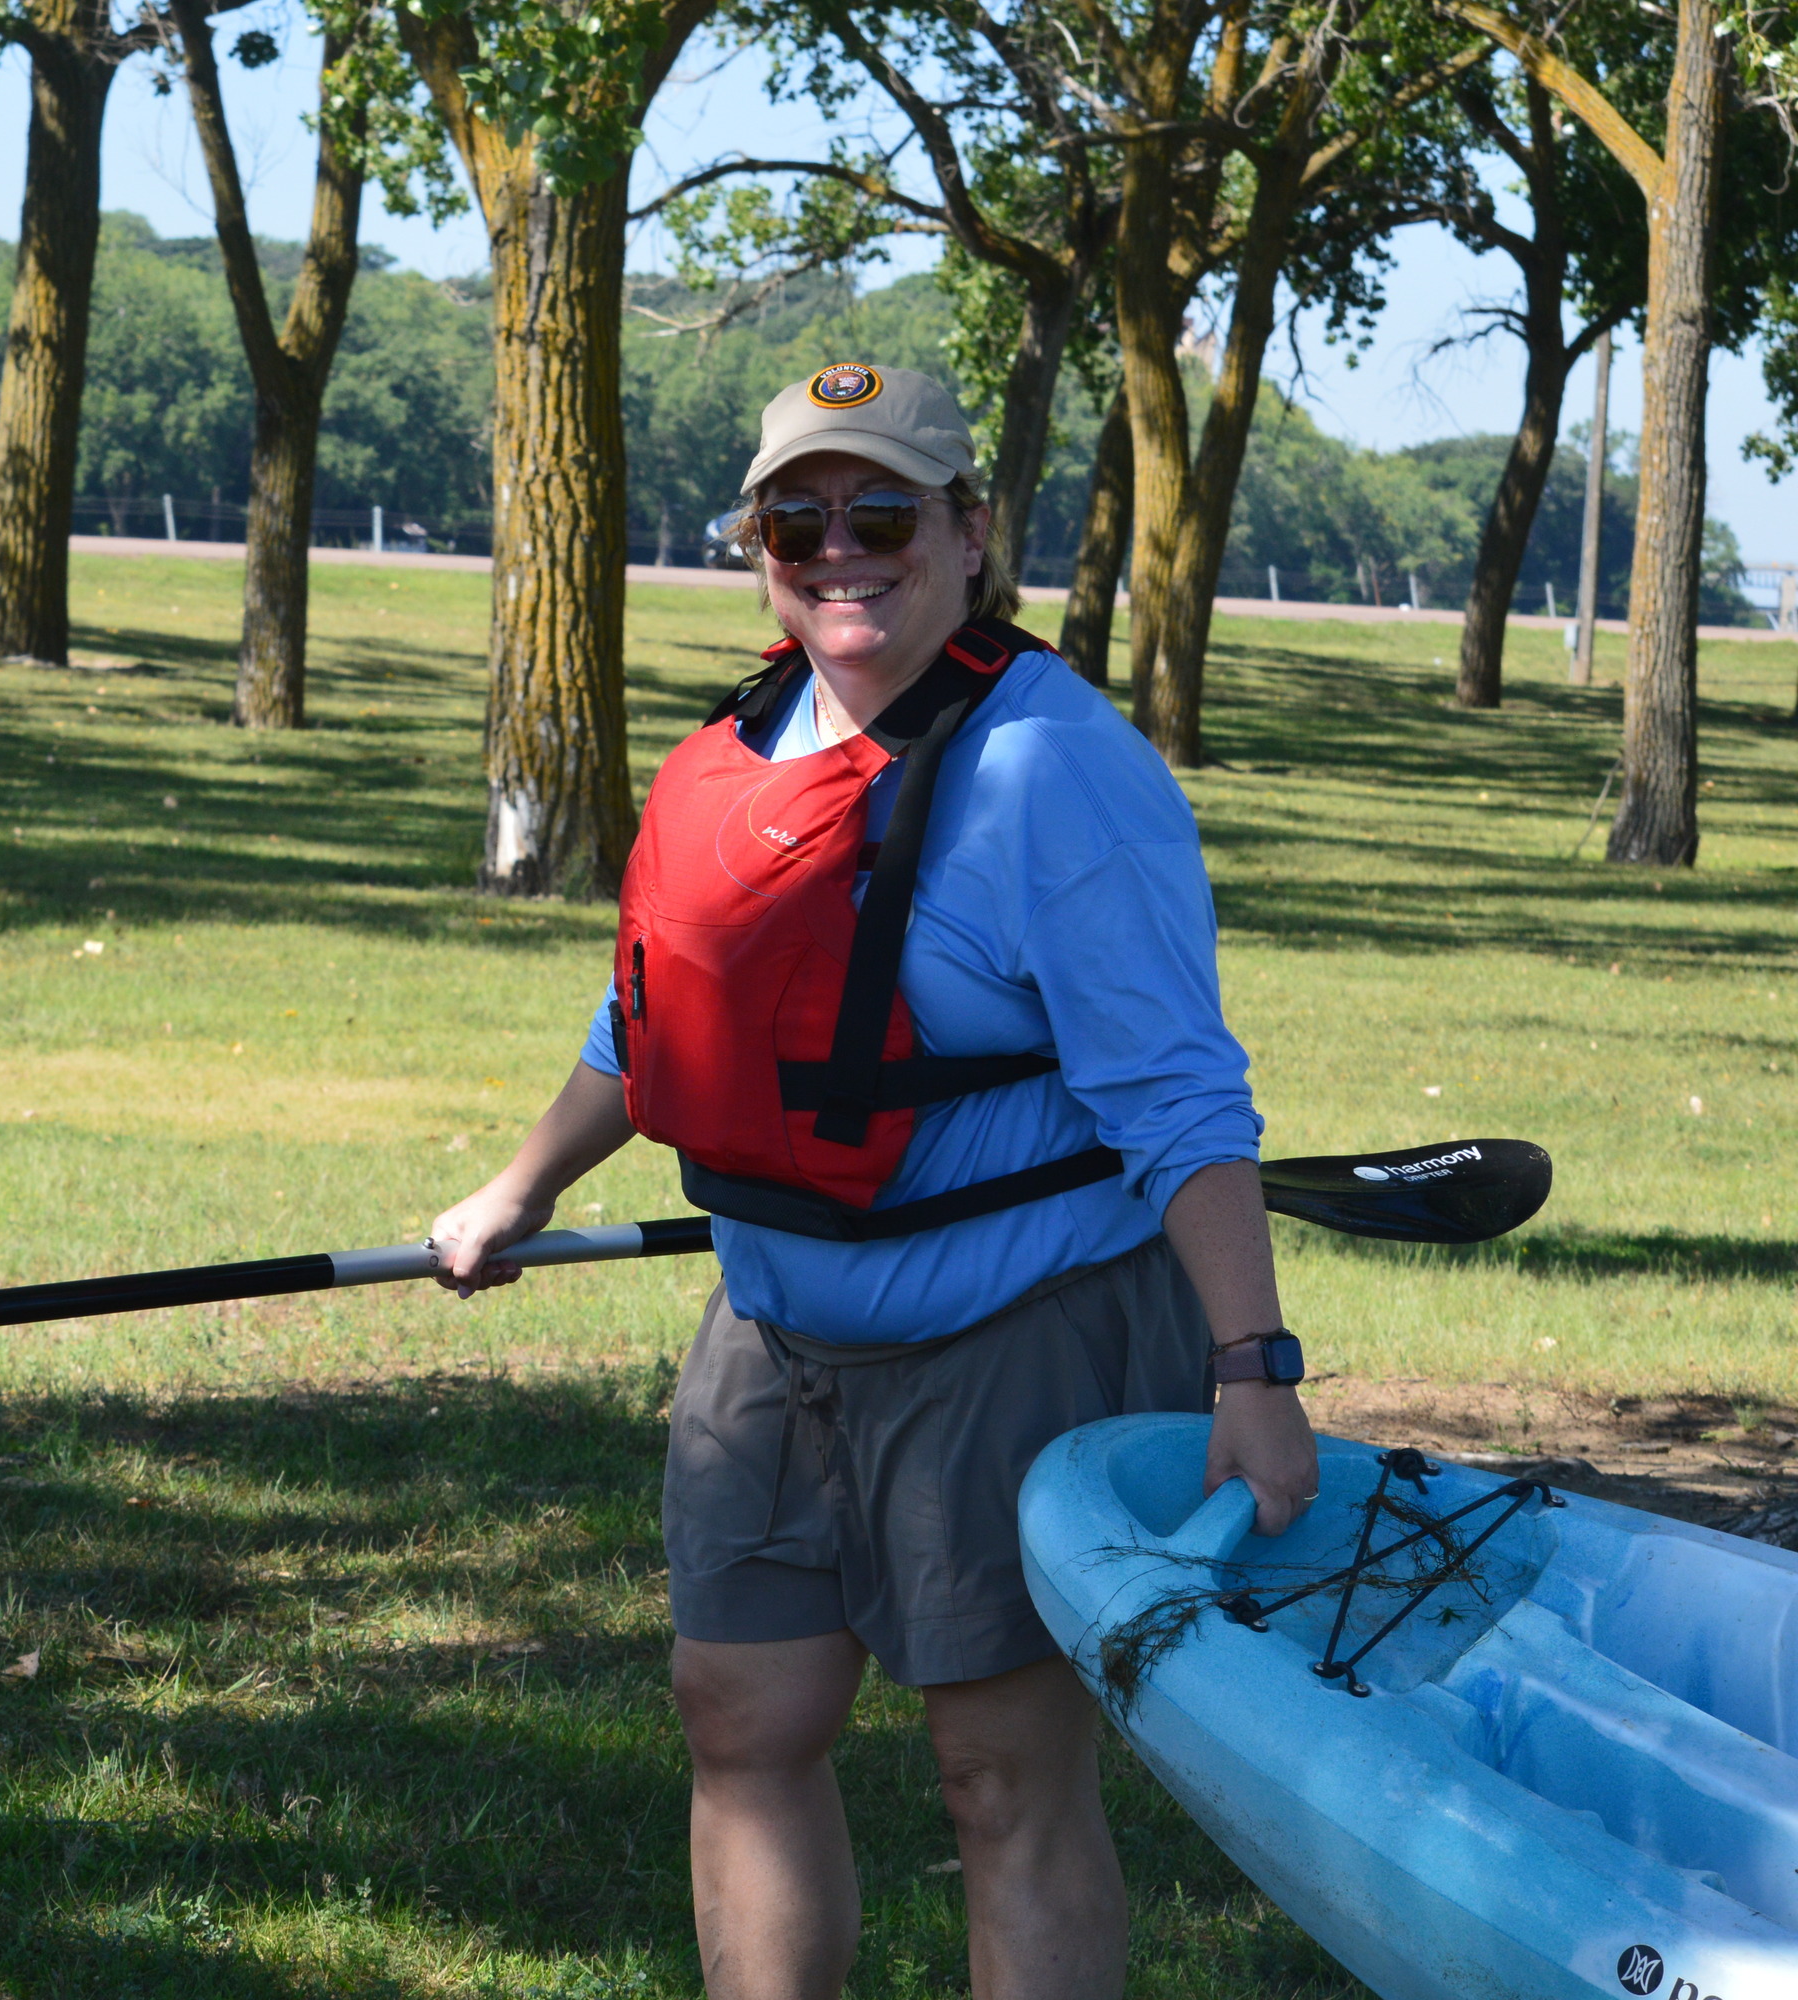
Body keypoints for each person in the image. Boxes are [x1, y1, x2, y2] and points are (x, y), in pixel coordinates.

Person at [428, 364, 1318, 2000]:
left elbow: (1182, 1102)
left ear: (973, 533)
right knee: (738, 1716)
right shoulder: (739, 744)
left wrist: (1250, 1369)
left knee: (997, 1776)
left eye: (887, 511)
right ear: (758, 543)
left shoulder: (1055, 769)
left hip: (1012, 1334)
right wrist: (523, 1184)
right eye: (799, 516)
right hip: (770, 1337)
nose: (842, 548)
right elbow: (657, 1025)